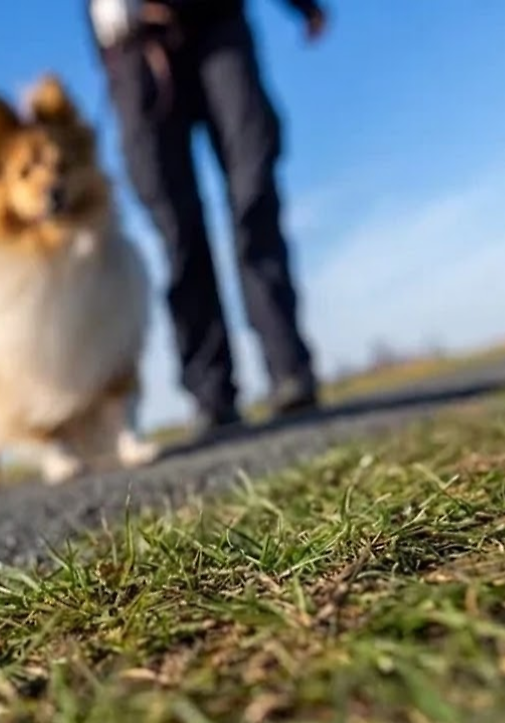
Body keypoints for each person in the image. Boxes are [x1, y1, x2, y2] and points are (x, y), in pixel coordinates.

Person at [86, 0, 328, 439]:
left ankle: (288, 367)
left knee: (253, 189)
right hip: (135, 48)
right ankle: (210, 392)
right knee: (176, 229)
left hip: (217, 22)